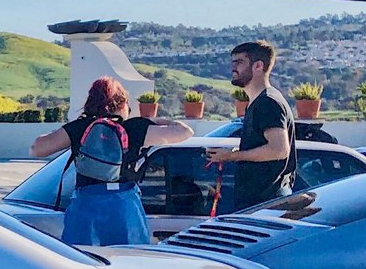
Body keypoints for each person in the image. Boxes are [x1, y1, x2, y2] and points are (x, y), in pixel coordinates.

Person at [31, 76, 192, 246]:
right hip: (124, 209)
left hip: (86, 207)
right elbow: (184, 132)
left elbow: (36, 149)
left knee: (83, 262)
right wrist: (154, 120)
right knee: (127, 262)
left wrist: (68, 130)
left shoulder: (80, 127)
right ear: (123, 104)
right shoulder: (133, 128)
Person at [203, 40, 296, 211]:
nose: (233, 68)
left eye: (239, 62)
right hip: (260, 202)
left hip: (267, 203)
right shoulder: (258, 102)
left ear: (258, 66)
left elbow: (279, 150)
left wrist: (232, 156)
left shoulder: (268, 102)